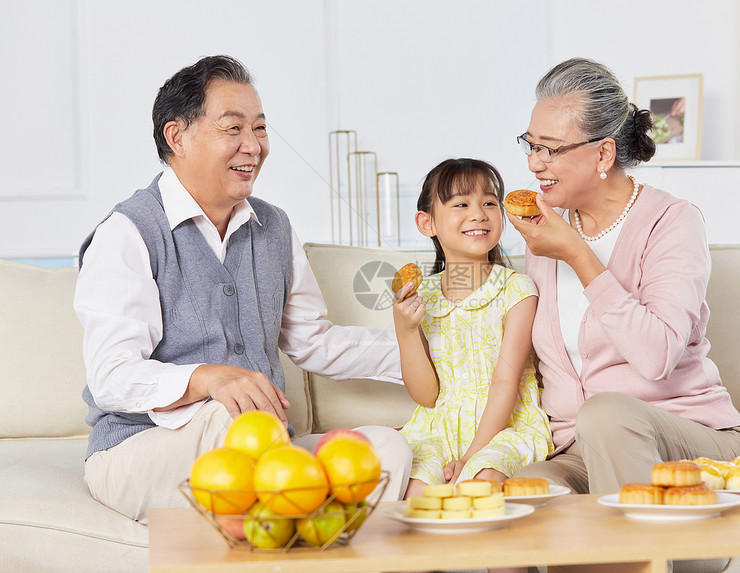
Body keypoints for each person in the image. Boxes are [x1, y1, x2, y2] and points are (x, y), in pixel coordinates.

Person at [73, 55, 411, 524]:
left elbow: (313, 341)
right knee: (231, 421)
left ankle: (310, 544)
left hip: (261, 447)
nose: (253, 146)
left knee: (385, 449)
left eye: (259, 129)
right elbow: (112, 377)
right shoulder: (128, 232)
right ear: (177, 137)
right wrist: (207, 378)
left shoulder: (273, 226)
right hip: (140, 448)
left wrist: (428, 350)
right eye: (233, 129)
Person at [506, 58, 740, 496]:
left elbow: (656, 356)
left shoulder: (672, 221)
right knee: (527, 491)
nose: (534, 164)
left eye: (551, 149)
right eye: (531, 145)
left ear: (604, 153)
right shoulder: (545, 227)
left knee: (606, 415)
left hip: (679, 436)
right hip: (578, 445)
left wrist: (579, 257)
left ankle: (682, 556)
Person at [392, 158, 553, 497]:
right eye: (461, 203)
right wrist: (406, 331)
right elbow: (427, 396)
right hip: (438, 428)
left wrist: (471, 456)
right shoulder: (424, 296)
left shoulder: (518, 290)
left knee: (481, 484)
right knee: (414, 493)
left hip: (504, 426)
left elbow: (506, 382)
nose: (479, 213)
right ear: (427, 222)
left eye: (490, 203)